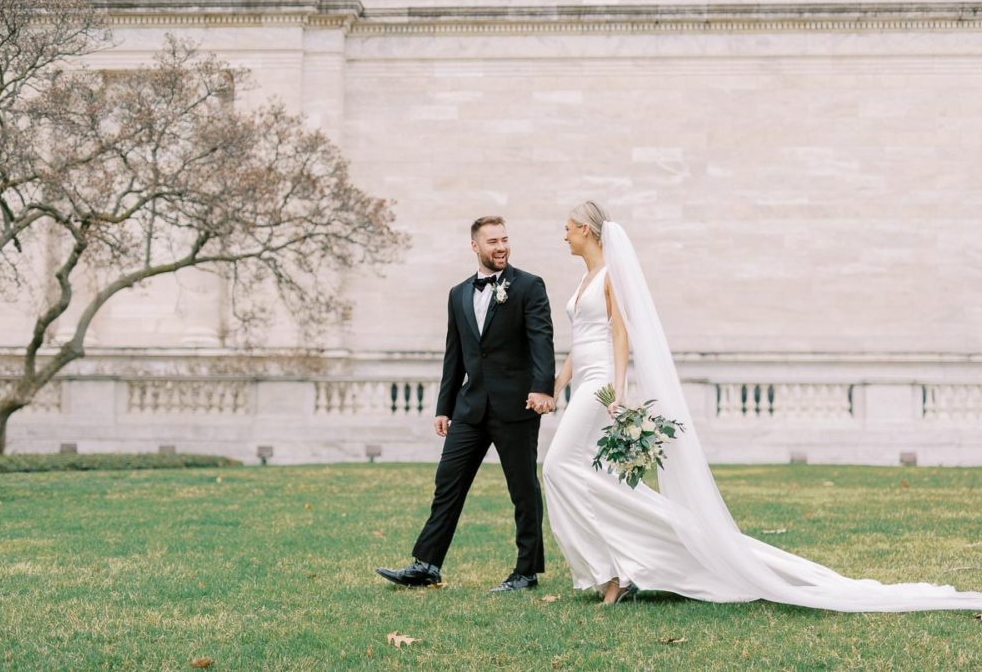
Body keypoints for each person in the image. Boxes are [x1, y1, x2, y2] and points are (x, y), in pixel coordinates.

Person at [543, 200, 982, 611]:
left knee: (558, 467)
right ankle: (617, 568)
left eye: (567, 229)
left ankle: (609, 570)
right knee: (592, 477)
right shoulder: (584, 279)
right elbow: (580, 343)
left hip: (600, 385)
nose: (563, 237)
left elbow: (621, 334)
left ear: (585, 229)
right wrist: (557, 384)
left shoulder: (610, 278)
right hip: (583, 381)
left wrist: (619, 390)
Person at [376, 216, 557, 592]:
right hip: (470, 408)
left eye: (505, 239)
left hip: (516, 407)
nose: (501, 247)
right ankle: (426, 564)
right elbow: (453, 355)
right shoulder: (458, 294)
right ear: (475, 246)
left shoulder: (528, 286)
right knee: (447, 484)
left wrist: (543, 389)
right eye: (492, 241)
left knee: (522, 489)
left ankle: (526, 572)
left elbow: (542, 340)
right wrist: (444, 407)